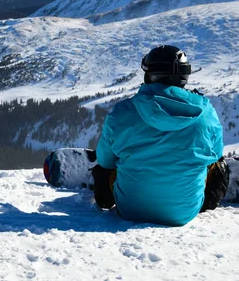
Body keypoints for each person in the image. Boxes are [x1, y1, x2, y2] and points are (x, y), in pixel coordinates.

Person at [93, 45, 229, 226]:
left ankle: (117, 190)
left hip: (129, 209)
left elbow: (104, 161)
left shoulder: (122, 111)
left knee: (107, 164)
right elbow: (216, 154)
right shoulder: (205, 112)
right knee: (217, 165)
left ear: (148, 74)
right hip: (184, 213)